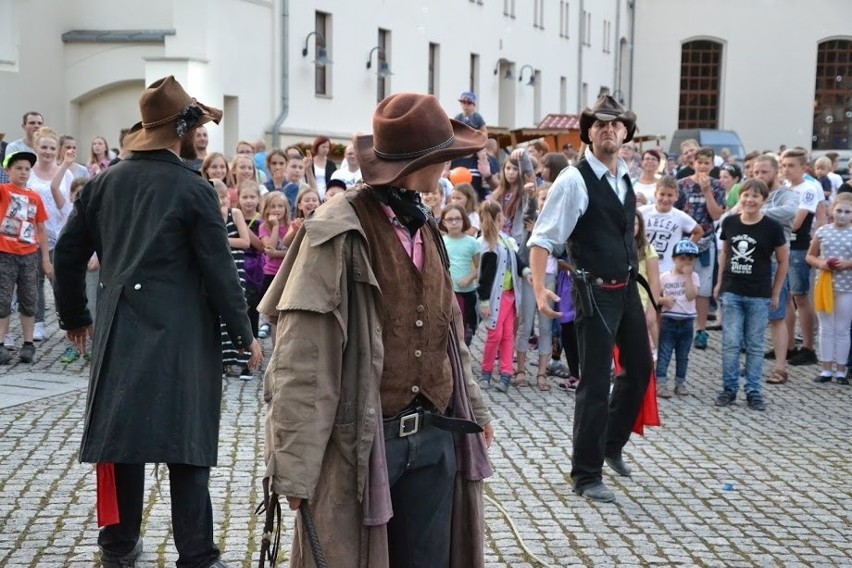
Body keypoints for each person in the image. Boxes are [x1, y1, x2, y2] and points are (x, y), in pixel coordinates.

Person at [258, 92, 493, 567]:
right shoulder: (337, 230)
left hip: (435, 438)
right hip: (364, 444)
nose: (449, 166)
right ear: (418, 162)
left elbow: (449, 333)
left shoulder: (425, 224)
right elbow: (302, 356)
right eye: (442, 157)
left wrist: (477, 408)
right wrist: (294, 470)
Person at [53, 76, 262, 568]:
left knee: (123, 443)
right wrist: (244, 333)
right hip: (182, 340)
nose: (201, 135)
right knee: (186, 448)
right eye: (199, 127)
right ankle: (196, 556)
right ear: (183, 131)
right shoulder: (193, 190)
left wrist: (75, 317)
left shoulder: (105, 182)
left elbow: (67, 254)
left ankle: (118, 547)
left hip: (120, 331)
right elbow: (218, 272)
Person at [528, 94, 651, 503]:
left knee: (640, 368)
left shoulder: (624, 175)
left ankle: (610, 445)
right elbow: (544, 238)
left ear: (625, 133)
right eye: (600, 125)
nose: (608, 130)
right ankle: (585, 474)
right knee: (596, 383)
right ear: (589, 133)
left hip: (627, 287)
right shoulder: (574, 180)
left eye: (615, 125)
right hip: (593, 291)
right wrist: (539, 286)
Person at [714, 179, 788, 411]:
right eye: (746, 195)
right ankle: (729, 388)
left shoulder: (773, 228)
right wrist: (719, 284)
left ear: (763, 200)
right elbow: (725, 252)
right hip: (732, 290)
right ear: (740, 197)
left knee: (755, 345)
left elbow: (783, 261)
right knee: (730, 343)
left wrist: (775, 292)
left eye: (755, 196)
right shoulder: (730, 222)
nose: (750, 200)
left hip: (759, 293)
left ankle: (754, 391)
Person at [0, 151, 51, 364]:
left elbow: (41, 229)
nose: (23, 172)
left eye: (27, 169)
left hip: (29, 254)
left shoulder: (35, 197)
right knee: (2, 299)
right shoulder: (3, 191)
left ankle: (28, 344)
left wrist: (46, 259)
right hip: (5, 253)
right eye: (18, 168)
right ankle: (1, 343)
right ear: (8, 171)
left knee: (29, 299)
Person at [675, 146, 726, 350]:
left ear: (713, 165)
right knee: (679, 284)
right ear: (693, 163)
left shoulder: (718, 186)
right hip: (683, 243)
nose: (703, 166)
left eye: (707, 163)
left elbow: (715, 215)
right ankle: (678, 324)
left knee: (703, 290)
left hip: (706, 243)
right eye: (700, 162)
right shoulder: (682, 185)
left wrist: (707, 192)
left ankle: (701, 329)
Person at [477, 200, 530, 392]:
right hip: (495, 298)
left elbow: (517, 260)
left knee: (508, 335)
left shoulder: (505, 241)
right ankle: (486, 371)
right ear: (498, 219)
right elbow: (485, 277)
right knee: (495, 335)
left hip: (510, 296)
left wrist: (526, 273)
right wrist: (484, 300)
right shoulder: (487, 245)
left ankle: (506, 371)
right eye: (501, 217)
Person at [782, 148, 822, 366]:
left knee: (801, 297)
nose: (787, 170)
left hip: (798, 246)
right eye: (784, 165)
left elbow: (796, 222)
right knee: (785, 297)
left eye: (791, 166)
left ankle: (808, 346)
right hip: (783, 245)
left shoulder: (808, 188)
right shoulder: (784, 188)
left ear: (803, 167)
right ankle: (788, 345)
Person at [806, 193, 852, 385]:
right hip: (824, 284)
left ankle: (840, 370)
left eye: (847, 212)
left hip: (847, 286)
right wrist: (822, 263)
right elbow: (810, 256)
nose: (842, 215)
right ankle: (826, 369)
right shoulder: (823, 231)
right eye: (839, 210)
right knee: (826, 328)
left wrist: (848, 263)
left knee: (842, 329)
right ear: (832, 211)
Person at [213, 181, 252, 381]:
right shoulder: (209, 216)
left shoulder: (234, 214)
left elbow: (245, 242)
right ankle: (223, 360)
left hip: (236, 267)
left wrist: (219, 240)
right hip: (217, 268)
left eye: (223, 199)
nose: (220, 203)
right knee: (219, 315)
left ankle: (245, 361)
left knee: (238, 310)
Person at [656, 240, 700, 398]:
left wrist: (688, 277)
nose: (686, 262)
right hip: (669, 320)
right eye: (682, 258)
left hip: (687, 321)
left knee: (683, 355)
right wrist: (663, 301)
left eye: (690, 259)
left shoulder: (694, 277)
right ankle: (660, 382)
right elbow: (655, 297)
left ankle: (680, 382)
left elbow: (691, 295)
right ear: (674, 259)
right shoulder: (664, 277)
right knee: (664, 353)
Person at [640, 176, 703, 275]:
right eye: (662, 194)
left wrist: (683, 250)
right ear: (655, 194)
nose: (665, 199)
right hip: (643, 266)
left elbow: (699, 231)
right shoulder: (643, 212)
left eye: (670, 195)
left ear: (676, 196)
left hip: (667, 269)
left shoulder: (680, 216)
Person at [440, 203, 480, 346]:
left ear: (464, 220)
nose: (454, 222)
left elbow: (479, 267)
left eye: (458, 218)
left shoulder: (472, 243)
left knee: (465, 325)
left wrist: (469, 277)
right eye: (450, 219)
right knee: (452, 325)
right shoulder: (442, 242)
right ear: (443, 222)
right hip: (449, 292)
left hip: (467, 292)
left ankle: (463, 350)